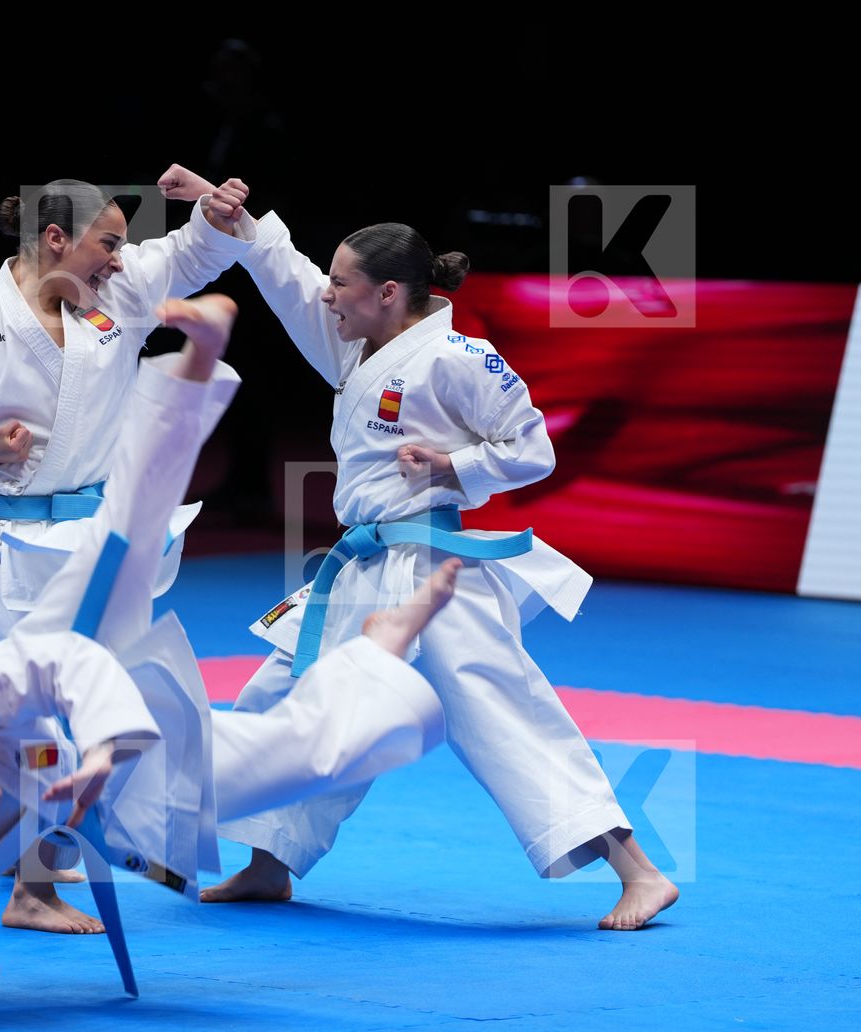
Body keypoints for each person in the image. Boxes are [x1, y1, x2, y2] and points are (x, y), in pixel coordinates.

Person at [0, 295, 459, 1026]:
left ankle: (195, 363)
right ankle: (378, 650)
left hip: (84, 717)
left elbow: (67, 658)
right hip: (107, 791)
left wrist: (101, 749)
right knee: (295, 765)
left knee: (121, 536)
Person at [155, 170, 677, 932]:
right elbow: (291, 275)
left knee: (503, 714)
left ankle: (641, 871)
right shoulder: (355, 345)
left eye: (344, 285)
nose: (328, 296)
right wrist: (227, 208)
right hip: (363, 568)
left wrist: (453, 468)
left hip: (434, 571)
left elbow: (533, 450)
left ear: (390, 292)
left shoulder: (460, 358)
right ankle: (268, 862)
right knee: (284, 696)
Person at [0, 169, 253, 647]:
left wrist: (215, 216)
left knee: (106, 692)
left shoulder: (120, 293)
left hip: (99, 531)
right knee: (35, 695)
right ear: (56, 238)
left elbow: (186, 252)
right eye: (108, 245)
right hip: (5, 542)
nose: (117, 262)